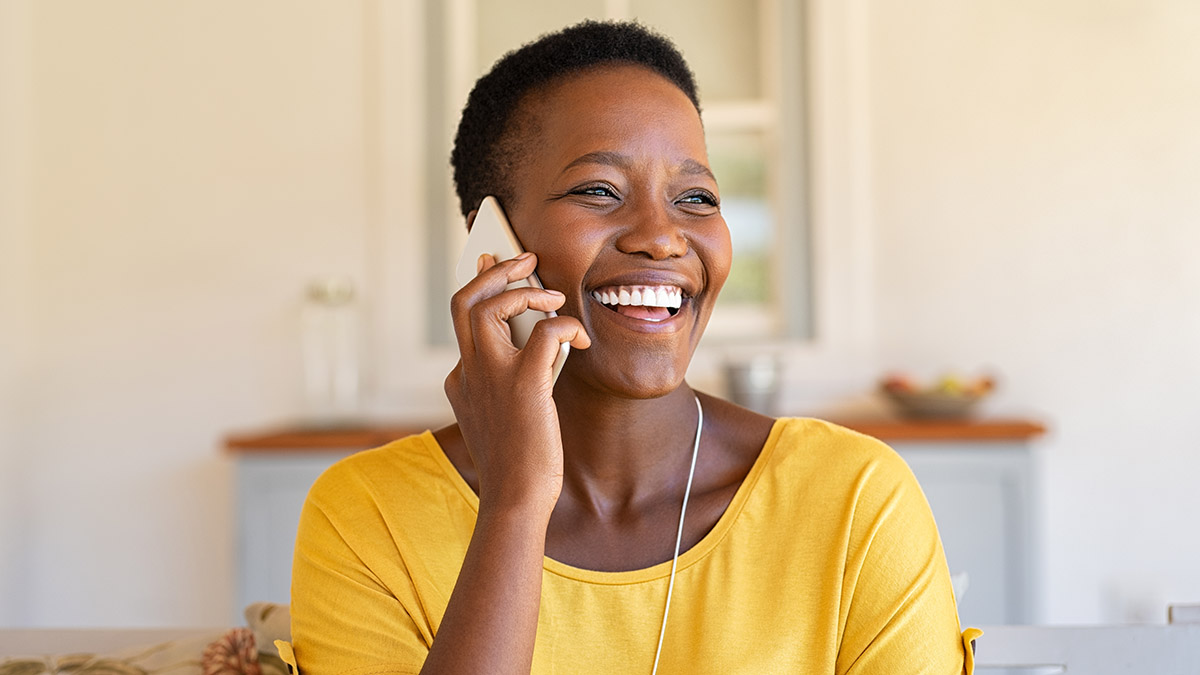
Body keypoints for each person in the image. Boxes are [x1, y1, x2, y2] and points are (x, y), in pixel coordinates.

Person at [285, 20, 978, 674]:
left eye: (697, 199)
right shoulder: (364, 514)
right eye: (598, 190)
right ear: (492, 241)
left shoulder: (854, 497)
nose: (663, 236)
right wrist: (515, 503)